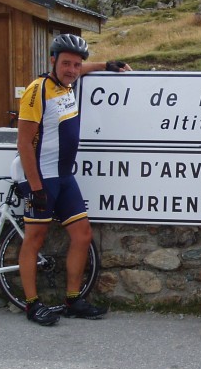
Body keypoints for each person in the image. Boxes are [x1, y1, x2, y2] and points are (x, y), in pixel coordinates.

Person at [16, 34, 129, 325]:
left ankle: (72, 299)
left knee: (82, 235)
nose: (73, 69)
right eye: (66, 63)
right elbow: (24, 143)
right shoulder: (37, 90)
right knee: (35, 239)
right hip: (40, 177)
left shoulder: (67, 84)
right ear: (52, 60)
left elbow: (82, 69)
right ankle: (31, 304)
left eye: (77, 65)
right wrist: (37, 187)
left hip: (65, 177)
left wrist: (108, 65)